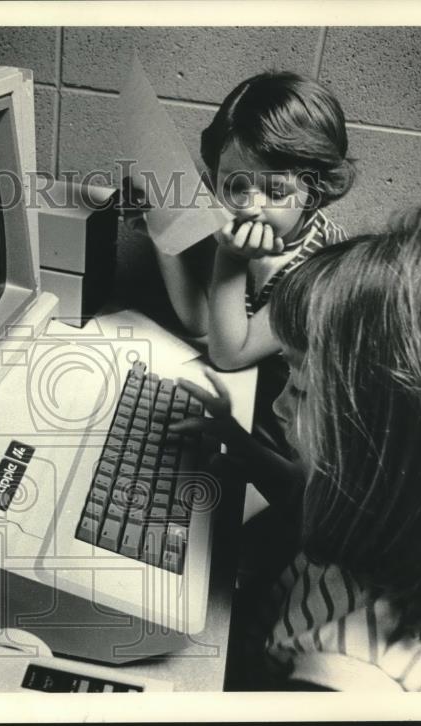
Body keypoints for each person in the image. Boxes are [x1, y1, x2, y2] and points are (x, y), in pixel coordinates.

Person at [172, 206, 421, 691]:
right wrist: (247, 453)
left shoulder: (346, 682)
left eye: (302, 388)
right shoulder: (418, 518)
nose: (277, 405)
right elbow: (310, 498)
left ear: (382, 442)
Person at [125, 71, 355, 452]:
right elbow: (203, 324)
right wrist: (161, 233)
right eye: (234, 186)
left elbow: (229, 354)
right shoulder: (253, 232)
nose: (250, 206)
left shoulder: (321, 268)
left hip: (309, 445)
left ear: (314, 194)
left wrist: (230, 260)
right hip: (261, 407)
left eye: (275, 190)